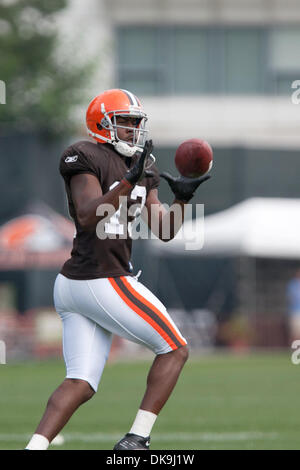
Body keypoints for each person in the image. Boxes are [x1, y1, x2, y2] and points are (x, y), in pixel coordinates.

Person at [25, 88, 210, 450]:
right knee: (175, 349)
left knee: (81, 383)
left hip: (81, 285)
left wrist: (183, 199)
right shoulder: (83, 154)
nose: (132, 129)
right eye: (124, 122)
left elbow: (165, 230)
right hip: (100, 277)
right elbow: (87, 214)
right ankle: (137, 439)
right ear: (102, 124)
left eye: (135, 122)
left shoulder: (144, 165)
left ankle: (35, 447)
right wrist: (127, 182)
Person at [286, 269, 300, 343]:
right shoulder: (293, 285)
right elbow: (292, 298)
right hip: (296, 312)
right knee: (295, 333)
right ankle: (293, 349)